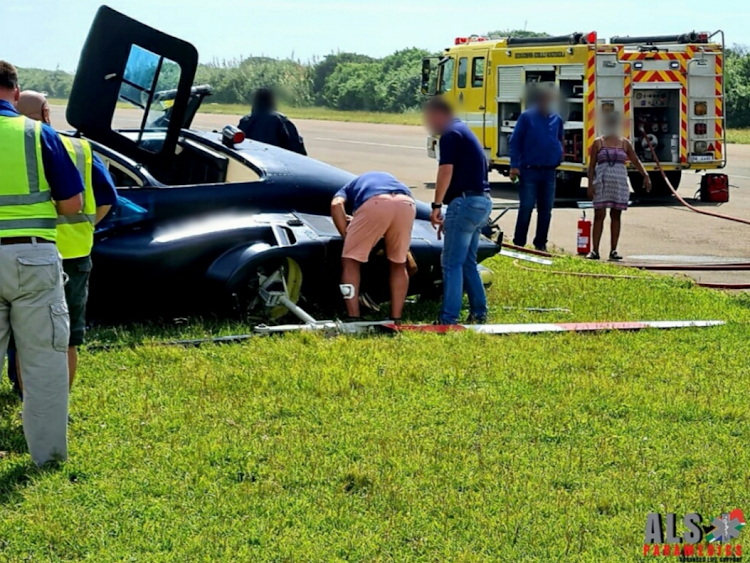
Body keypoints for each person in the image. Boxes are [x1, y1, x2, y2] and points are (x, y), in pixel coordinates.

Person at [0, 61, 84, 467]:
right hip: (32, 258)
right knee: (44, 361)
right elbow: (73, 204)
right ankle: (47, 460)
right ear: (16, 93)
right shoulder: (37, 133)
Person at [7, 91, 117, 395]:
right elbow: (108, 198)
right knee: (66, 336)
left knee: (22, 334)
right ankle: (58, 402)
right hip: (73, 254)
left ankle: (26, 395)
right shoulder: (78, 148)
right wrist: (85, 226)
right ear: (46, 113)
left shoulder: (13, 143)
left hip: (24, 250)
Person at [423, 97, 492, 325]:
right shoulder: (464, 131)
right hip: (481, 202)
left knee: (451, 262)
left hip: (464, 203)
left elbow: (446, 171)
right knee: (467, 262)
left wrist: (436, 206)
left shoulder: (450, 135)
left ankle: (448, 318)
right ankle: (479, 313)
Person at [331, 172, 416, 321]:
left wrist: (348, 237)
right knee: (398, 263)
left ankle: (353, 316)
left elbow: (336, 205)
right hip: (406, 203)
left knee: (350, 260)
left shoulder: (346, 189)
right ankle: (396, 317)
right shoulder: (384, 179)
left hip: (375, 203)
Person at [586, 111, 651, 260]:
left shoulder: (624, 143)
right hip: (602, 183)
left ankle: (613, 250)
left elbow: (635, 161)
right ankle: (594, 250)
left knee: (616, 215)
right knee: (599, 215)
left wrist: (645, 175)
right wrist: (590, 185)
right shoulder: (598, 142)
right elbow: (591, 166)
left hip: (619, 184)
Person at [509, 87, 564, 252]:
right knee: (526, 206)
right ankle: (519, 242)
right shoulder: (527, 117)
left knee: (546, 209)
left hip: (549, 171)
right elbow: (515, 141)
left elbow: (560, 138)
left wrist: (559, 155)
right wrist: (514, 166)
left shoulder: (557, 119)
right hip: (529, 170)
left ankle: (540, 244)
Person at [238, 88, 307, 155]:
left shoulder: (246, 121)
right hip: (276, 161)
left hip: (253, 162)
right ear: (271, 101)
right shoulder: (280, 120)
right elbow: (296, 146)